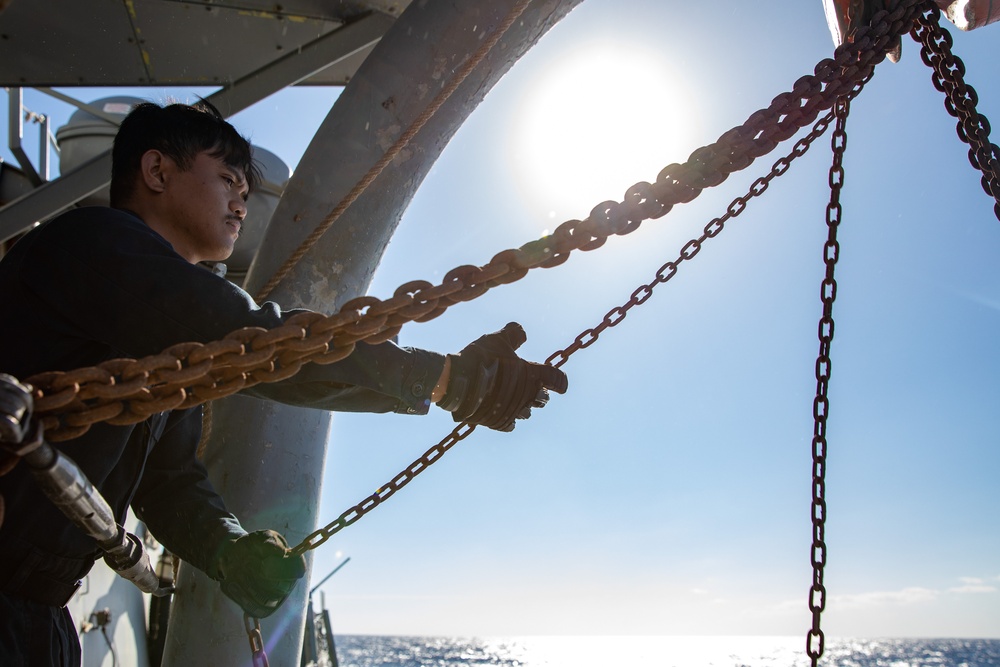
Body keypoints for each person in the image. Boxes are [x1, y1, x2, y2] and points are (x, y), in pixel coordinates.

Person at [0, 100, 567, 665]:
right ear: (156, 172)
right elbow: (254, 344)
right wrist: (445, 379)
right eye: (227, 178)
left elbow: (168, 481)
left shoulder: (160, 334)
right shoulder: (91, 243)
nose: (241, 199)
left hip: (42, 613)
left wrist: (225, 547)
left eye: (246, 189)